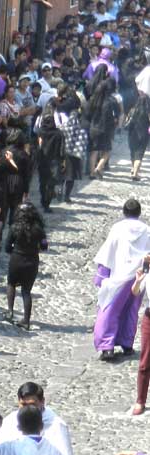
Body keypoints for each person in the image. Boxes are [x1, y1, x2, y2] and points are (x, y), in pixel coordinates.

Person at [93, 198, 150, 361]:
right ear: (139, 213)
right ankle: (127, 343)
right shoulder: (146, 230)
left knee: (109, 310)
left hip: (118, 276)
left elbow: (108, 251)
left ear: (124, 212)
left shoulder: (117, 228)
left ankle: (107, 346)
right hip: (138, 276)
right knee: (132, 310)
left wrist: (101, 275)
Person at [0, 382, 74, 455]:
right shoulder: (9, 421)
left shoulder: (57, 425)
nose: (28, 409)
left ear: (42, 402)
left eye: (32, 405)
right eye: (24, 404)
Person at [4, 202, 49, 331]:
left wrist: (14, 250)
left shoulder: (14, 228)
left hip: (16, 259)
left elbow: (7, 247)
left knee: (11, 284)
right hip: (32, 261)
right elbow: (45, 245)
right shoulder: (39, 230)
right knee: (26, 291)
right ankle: (26, 321)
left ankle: (10, 311)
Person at [127, 92, 150, 181]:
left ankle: (133, 169)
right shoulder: (148, 112)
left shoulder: (132, 110)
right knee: (139, 154)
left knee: (133, 152)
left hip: (132, 133)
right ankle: (135, 174)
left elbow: (127, 120)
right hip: (143, 133)